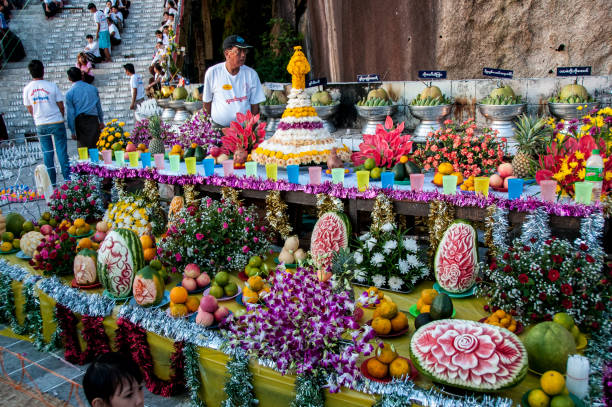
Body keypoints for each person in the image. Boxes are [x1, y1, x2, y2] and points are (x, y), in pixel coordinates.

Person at [22, 60, 70, 186]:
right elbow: (61, 105)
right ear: (43, 70)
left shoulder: (27, 89)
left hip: (40, 122)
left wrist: (37, 116)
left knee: (47, 153)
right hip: (56, 120)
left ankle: (51, 182)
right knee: (61, 151)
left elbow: (29, 108)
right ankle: (67, 179)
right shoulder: (51, 86)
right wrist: (61, 115)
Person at [203, 35, 265, 129]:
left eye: (245, 51)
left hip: (244, 130)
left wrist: (251, 127)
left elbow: (255, 104)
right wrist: (206, 126)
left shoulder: (251, 74)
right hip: (219, 128)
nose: (243, 55)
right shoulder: (213, 73)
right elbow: (207, 102)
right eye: (239, 51)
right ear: (227, 53)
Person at [65, 67, 104, 149]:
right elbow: (98, 106)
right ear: (81, 76)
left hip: (80, 122)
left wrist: (72, 131)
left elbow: (70, 114)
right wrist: (101, 121)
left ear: (69, 78)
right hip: (93, 120)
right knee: (96, 146)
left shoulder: (69, 93)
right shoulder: (93, 89)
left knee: (83, 149)